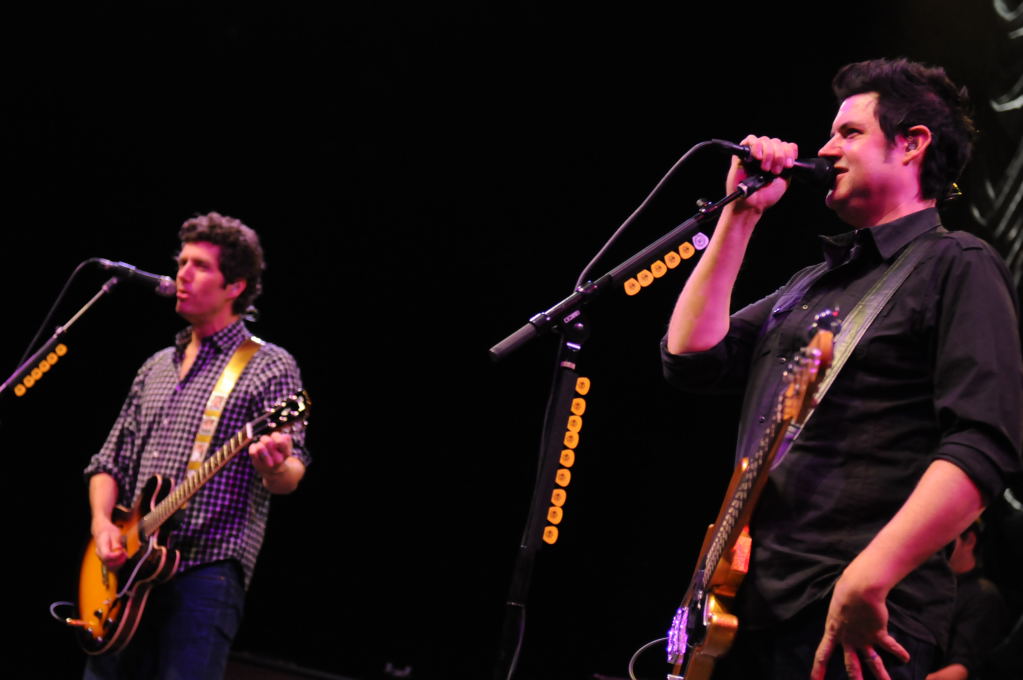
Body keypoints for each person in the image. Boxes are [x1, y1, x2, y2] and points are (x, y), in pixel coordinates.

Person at [661, 58, 1023, 680]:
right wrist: (739, 215)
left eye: (848, 132)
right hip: (745, 612)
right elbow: (691, 356)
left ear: (911, 144)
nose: (826, 148)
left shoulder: (958, 264)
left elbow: (985, 444)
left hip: (855, 616)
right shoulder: (812, 283)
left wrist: (872, 574)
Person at [82, 212, 310, 680]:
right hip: (127, 571)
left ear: (235, 287)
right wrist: (102, 523)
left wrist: (274, 465)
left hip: (206, 572)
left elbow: (291, 473)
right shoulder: (155, 367)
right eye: (182, 262)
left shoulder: (268, 365)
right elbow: (108, 462)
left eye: (200, 266)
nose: (182, 274)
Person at [925, 522, 1008, 680]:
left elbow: (959, 671)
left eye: (946, 536)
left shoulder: (983, 596)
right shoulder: (928, 583)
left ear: (969, 540)